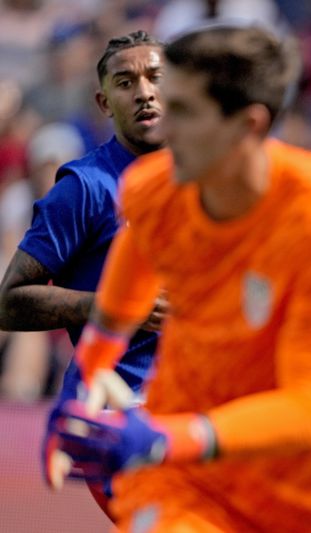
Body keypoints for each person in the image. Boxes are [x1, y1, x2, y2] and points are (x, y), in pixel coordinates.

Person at [45, 26, 311, 532]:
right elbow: (116, 311)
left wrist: (166, 437)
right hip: (185, 480)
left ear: (248, 125)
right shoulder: (154, 188)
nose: (164, 121)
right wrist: (81, 391)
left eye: (183, 110)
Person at [0, 30, 167, 514]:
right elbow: (9, 303)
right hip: (120, 409)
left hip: (192, 402)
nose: (144, 92)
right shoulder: (85, 188)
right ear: (104, 102)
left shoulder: (202, 179)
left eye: (156, 77)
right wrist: (113, 308)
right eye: (125, 82)